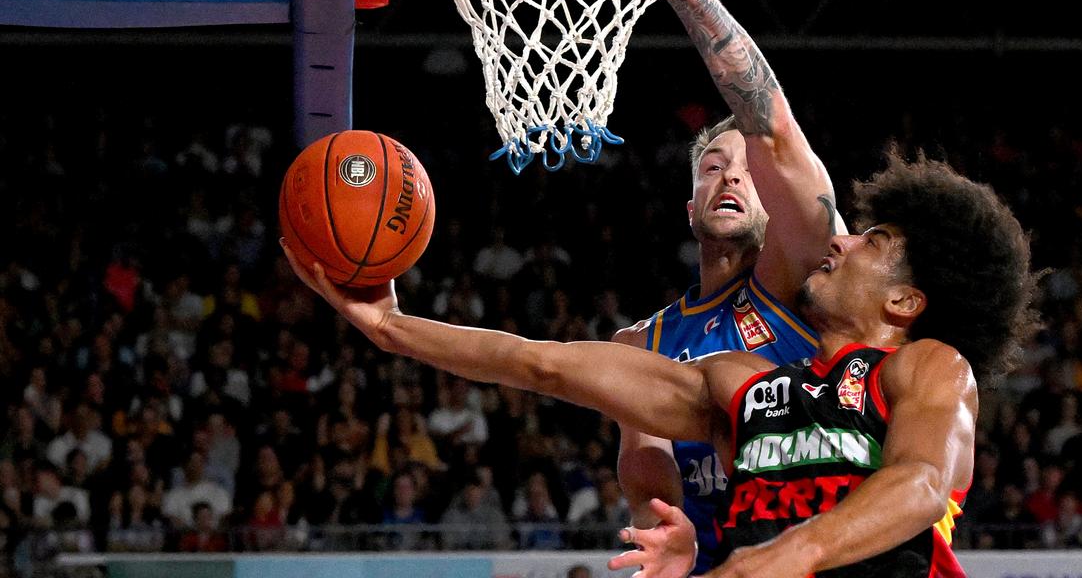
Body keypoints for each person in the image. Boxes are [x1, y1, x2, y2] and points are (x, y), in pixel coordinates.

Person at [282, 134, 1037, 575]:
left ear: (905, 303)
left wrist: (783, 557)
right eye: (712, 166)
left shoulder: (927, 368)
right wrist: (391, 327)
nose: (839, 237)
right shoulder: (735, 384)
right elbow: (539, 363)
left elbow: (920, 484)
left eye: (869, 241)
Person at [583, 0, 847, 572]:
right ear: (689, 207)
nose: (730, 174)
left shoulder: (811, 285)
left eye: (744, 170)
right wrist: (667, 526)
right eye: (709, 168)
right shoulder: (643, 340)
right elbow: (645, 470)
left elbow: (774, 128)